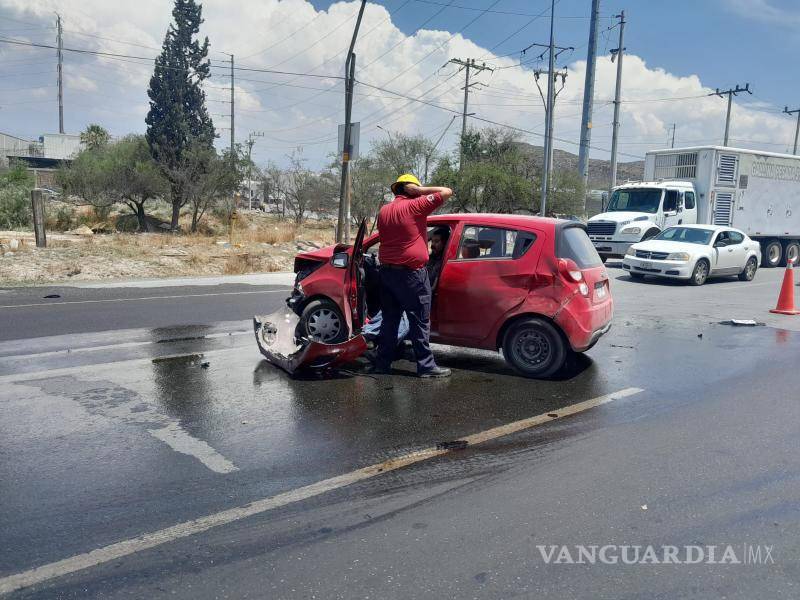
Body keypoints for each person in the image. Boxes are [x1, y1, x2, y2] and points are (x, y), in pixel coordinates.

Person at [368, 174, 453, 377]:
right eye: (417, 189)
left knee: (390, 320)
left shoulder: (384, 210)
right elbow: (447, 192)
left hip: (387, 274)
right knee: (419, 321)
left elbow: (402, 232)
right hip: (411, 275)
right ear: (411, 190)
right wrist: (421, 191)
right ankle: (426, 366)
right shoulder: (415, 206)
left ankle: (383, 364)